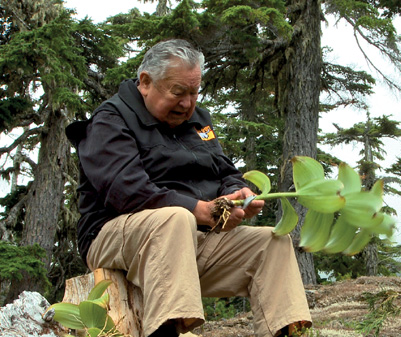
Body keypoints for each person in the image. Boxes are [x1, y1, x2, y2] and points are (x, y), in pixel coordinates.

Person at [66, 39, 312, 337]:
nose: (187, 103)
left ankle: (289, 332)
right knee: (175, 218)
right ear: (146, 82)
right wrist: (198, 210)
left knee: (272, 243)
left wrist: (237, 194)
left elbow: (225, 170)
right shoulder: (109, 120)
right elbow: (125, 190)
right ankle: (167, 332)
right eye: (178, 92)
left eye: (194, 92)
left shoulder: (198, 120)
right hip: (113, 237)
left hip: (189, 239)